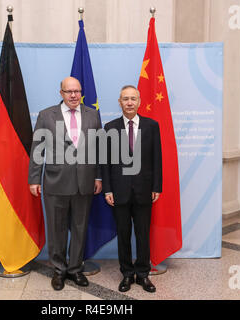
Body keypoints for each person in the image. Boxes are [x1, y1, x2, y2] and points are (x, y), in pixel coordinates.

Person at [28, 77, 102, 291]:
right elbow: (37, 150)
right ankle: (59, 270)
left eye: (77, 91)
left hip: (84, 183)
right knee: (56, 229)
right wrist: (34, 178)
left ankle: (75, 269)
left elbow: (98, 149)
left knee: (80, 228)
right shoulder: (46, 115)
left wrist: (98, 177)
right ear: (60, 93)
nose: (73, 95)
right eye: (69, 91)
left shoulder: (92, 115)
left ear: (81, 93)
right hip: (55, 182)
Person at [102, 85, 162, 293]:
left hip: (144, 191)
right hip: (119, 192)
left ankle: (143, 274)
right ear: (119, 102)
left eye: (133, 99)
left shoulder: (152, 126)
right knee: (124, 234)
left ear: (139, 101)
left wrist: (156, 186)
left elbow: (156, 159)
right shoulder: (109, 128)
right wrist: (107, 189)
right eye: (125, 99)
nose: (129, 102)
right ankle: (127, 274)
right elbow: (106, 162)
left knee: (143, 235)